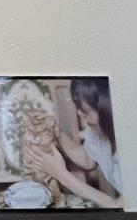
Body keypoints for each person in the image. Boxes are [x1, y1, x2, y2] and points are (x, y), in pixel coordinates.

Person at [29, 77, 124, 209]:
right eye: (78, 107)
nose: (79, 113)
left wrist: (61, 174)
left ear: (109, 106)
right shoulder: (98, 131)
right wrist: (57, 133)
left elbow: (118, 205)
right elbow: (88, 160)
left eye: (86, 111)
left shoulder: (135, 143)